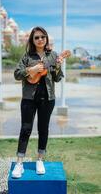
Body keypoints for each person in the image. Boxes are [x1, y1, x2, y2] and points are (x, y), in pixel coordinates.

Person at [12, 26, 64, 178]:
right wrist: (32, 69)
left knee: (43, 129)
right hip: (29, 99)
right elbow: (17, 74)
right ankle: (19, 163)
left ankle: (40, 160)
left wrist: (58, 65)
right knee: (25, 129)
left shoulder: (53, 55)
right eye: (37, 37)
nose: (40, 39)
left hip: (48, 99)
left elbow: (57, 78)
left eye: (42, 37)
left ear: (46, 38)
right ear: (32, 40)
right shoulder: (27, 56)